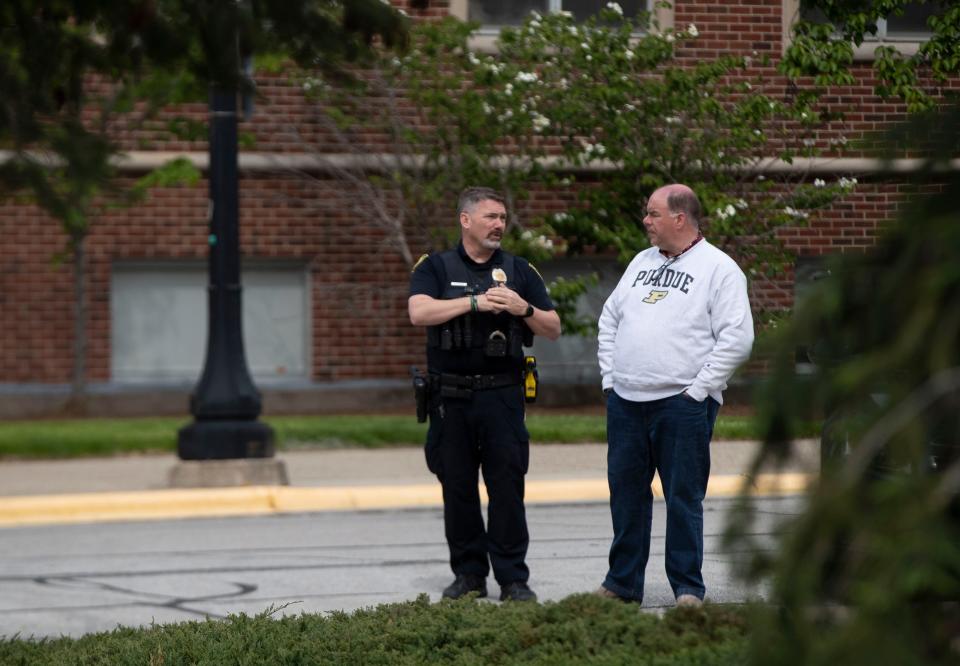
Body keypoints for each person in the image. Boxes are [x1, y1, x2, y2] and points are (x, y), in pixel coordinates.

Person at [596, 183, 754, 607]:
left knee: (683, 499)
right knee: (626, 496)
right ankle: (622, 585)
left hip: (681, 406)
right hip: (626, 403)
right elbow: (609, 319)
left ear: (679, 218)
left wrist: (698, 391)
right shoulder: (640, 262)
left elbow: (737, 339)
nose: (646, 221)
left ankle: (687, 589)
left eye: (653, 214)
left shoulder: (719, 269)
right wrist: (611, 379)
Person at [409, 186, 562, 602]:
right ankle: (469, 575)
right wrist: (473, 303)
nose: (499, 225)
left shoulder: (519, 270)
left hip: (502, 397)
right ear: (465, 220)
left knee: (507, 488)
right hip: (451, 398)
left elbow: (552, 327)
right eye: (491, 217)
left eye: (502, 217)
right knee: (457, 488)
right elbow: (418, 311)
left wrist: (522, 308)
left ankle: (513, 578)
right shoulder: (436, 267)